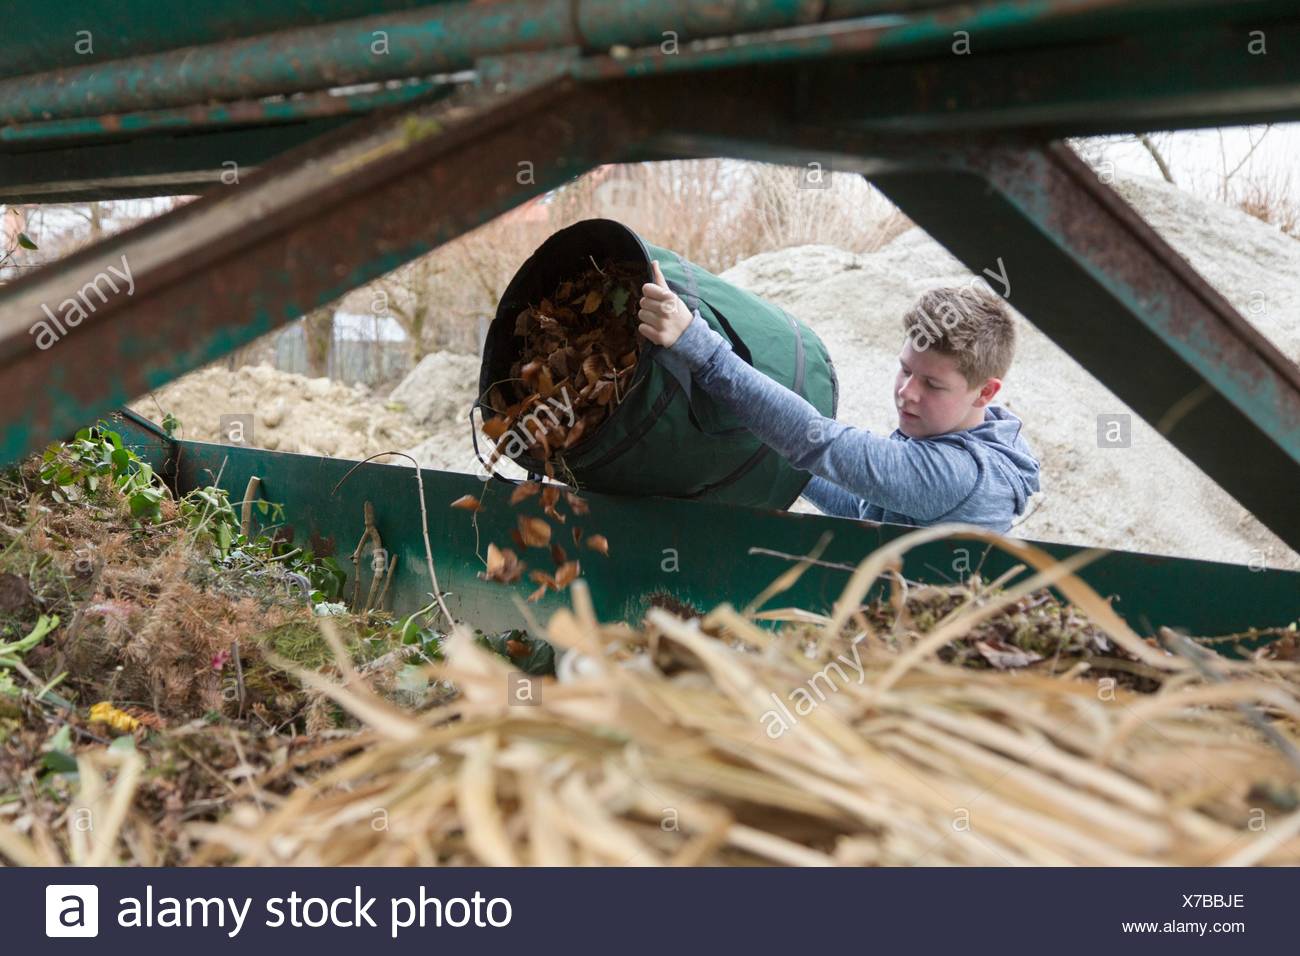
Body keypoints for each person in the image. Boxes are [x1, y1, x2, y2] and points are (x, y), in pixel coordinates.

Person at [637, 260, 1040, 532]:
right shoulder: (953, 431)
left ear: (985, 392)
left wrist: (699, 346)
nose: (906, 392)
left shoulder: (959, 477)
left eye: (932, 385)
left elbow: (819, 440)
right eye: (905, 368)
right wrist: (767, 439)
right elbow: (862, 508)